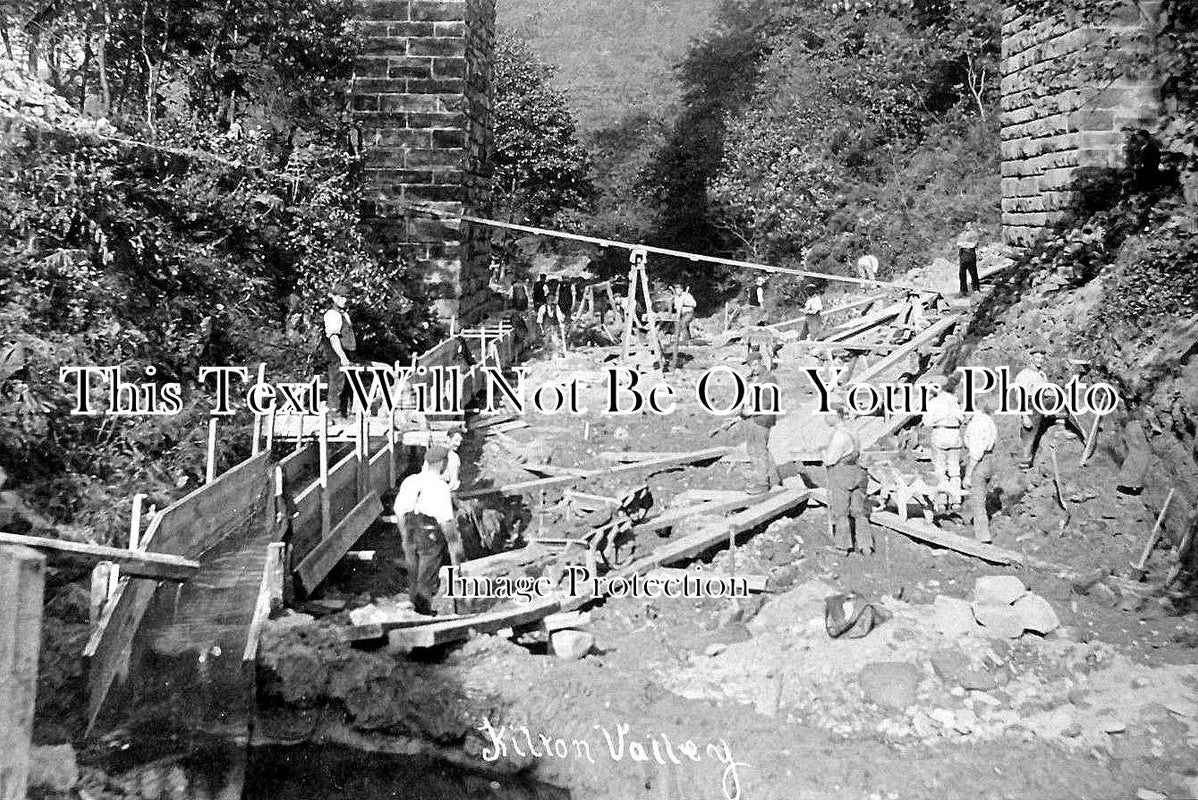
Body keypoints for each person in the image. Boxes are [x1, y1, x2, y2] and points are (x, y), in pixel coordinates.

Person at [394, 444, 465, 616]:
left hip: (408, 528)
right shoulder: (440, 487)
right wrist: (456, 552)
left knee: (414, 571)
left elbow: (399, 511)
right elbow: (446, 521)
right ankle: (423, 615)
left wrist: (405, 536)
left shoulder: (410, 480)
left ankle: (413, 607)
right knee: (426, 575)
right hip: (428, 532)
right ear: (442, 463)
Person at [823, 405, 872, 556]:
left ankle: (842, 547)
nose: (825, 418)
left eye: (827, 415)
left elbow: (830, 460)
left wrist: (822, 454)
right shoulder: (853, 431)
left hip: (842, 473)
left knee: (841, 511)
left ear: (834, 416)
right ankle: (866, 545)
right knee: (859, 511)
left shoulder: (839, 436)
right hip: (857, 472)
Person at [921, 374, 966, 512]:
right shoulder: (954, 400)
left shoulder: (934, 402)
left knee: (940, 469)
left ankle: (942, 501)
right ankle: (956, 500)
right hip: (955, 434)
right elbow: (961, 417)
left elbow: (927, 422)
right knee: (954, 469)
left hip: (940, 433)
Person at [741, 351, 781, 494]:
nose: (753, 368)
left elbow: (771, 401)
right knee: (753, 450)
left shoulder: (769, 378)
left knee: (759, 451)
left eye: (756, 364)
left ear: (761, 362)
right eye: (751, 365)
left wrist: (753, 409)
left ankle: (762, 483)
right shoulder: (751, 379)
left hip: (762, 419)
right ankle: (773, 479)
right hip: (749, 419)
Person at [963, 396, 997, 543]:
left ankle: (983, 537)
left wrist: (968, 475)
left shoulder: (975, 425)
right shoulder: (987, 419)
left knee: (977, 501)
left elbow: (976, 453)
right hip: (990, 460)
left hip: (980, 462)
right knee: (981, 496)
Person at [322, 282, 358, 420]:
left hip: (347, 353)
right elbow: (334, 338)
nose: (344, 300)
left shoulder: (344, 314)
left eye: (346, 297)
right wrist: (342, 357)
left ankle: (346, 415)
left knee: (348, 385)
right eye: (341, 297)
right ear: (334, 297)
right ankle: (334, 416)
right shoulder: (332, 314)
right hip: (338, 355)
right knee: (338, 384)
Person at [957, 222, 981, 296]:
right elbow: (959, 243)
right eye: (966, 225)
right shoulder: (962, 234)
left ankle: (976, 288)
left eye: (969, 225)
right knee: (962, 273)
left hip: (970, 254)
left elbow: (975, 244)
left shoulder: (974, 234)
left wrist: (966, 245)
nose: (967, 227)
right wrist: (965, 245)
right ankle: (963, 289)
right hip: (963, 255)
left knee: (973, 272)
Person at [442, 426, 464, 493]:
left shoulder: (454, 456)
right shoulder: (453, 457)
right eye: (456, 440)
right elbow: (453, 482)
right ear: (448, 438)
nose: (458, 444)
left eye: (460, 441)